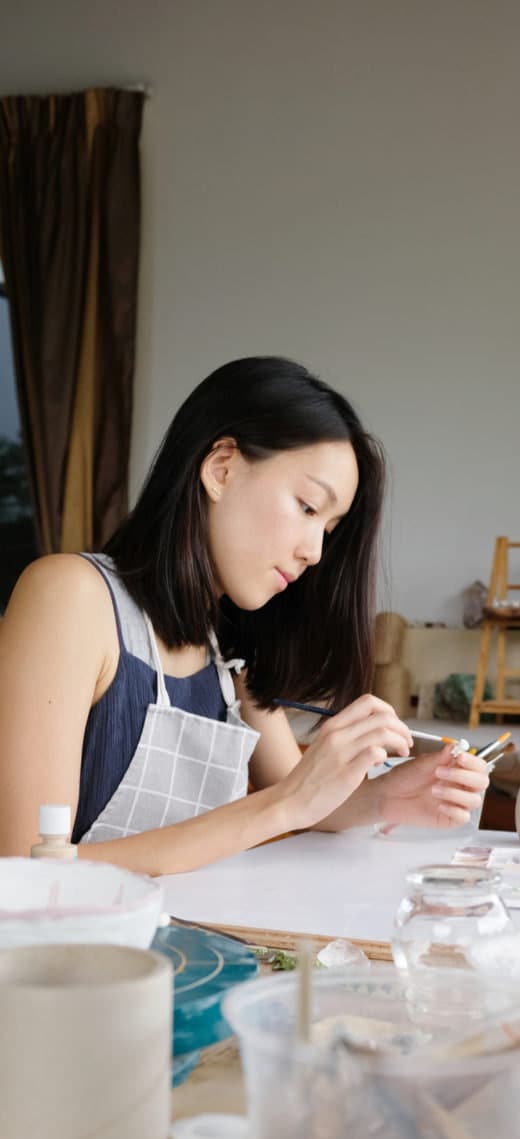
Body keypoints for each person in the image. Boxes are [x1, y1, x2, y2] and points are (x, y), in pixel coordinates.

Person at [0, 357, 489, 875]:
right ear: (221, 468)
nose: (315, 552)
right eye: (307, 507)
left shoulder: (227, 644)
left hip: (197, 952)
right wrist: (286, 804)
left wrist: (388, 796)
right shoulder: (70, 596)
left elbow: (305, 800)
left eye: (329, 527)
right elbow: (23, 867)